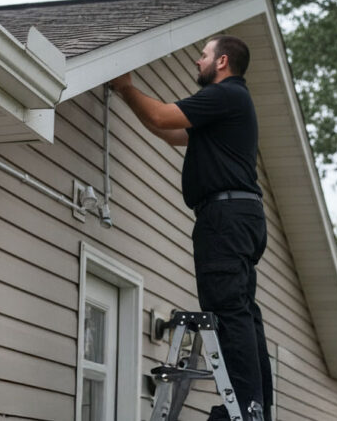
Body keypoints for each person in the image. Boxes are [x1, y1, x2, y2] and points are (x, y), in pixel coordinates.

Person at [108, 35, 272, 421]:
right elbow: (169, 133)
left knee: (229, 311)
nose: (196, 62)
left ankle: (246, 409)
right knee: (243, 311)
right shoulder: (226, 107)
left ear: (222, 61)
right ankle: (256, 406)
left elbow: (163, 116)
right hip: (239, 217)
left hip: (225, 218)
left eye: (203, 56)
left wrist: (127, 86)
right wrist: (127, 94)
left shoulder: (227, 94)